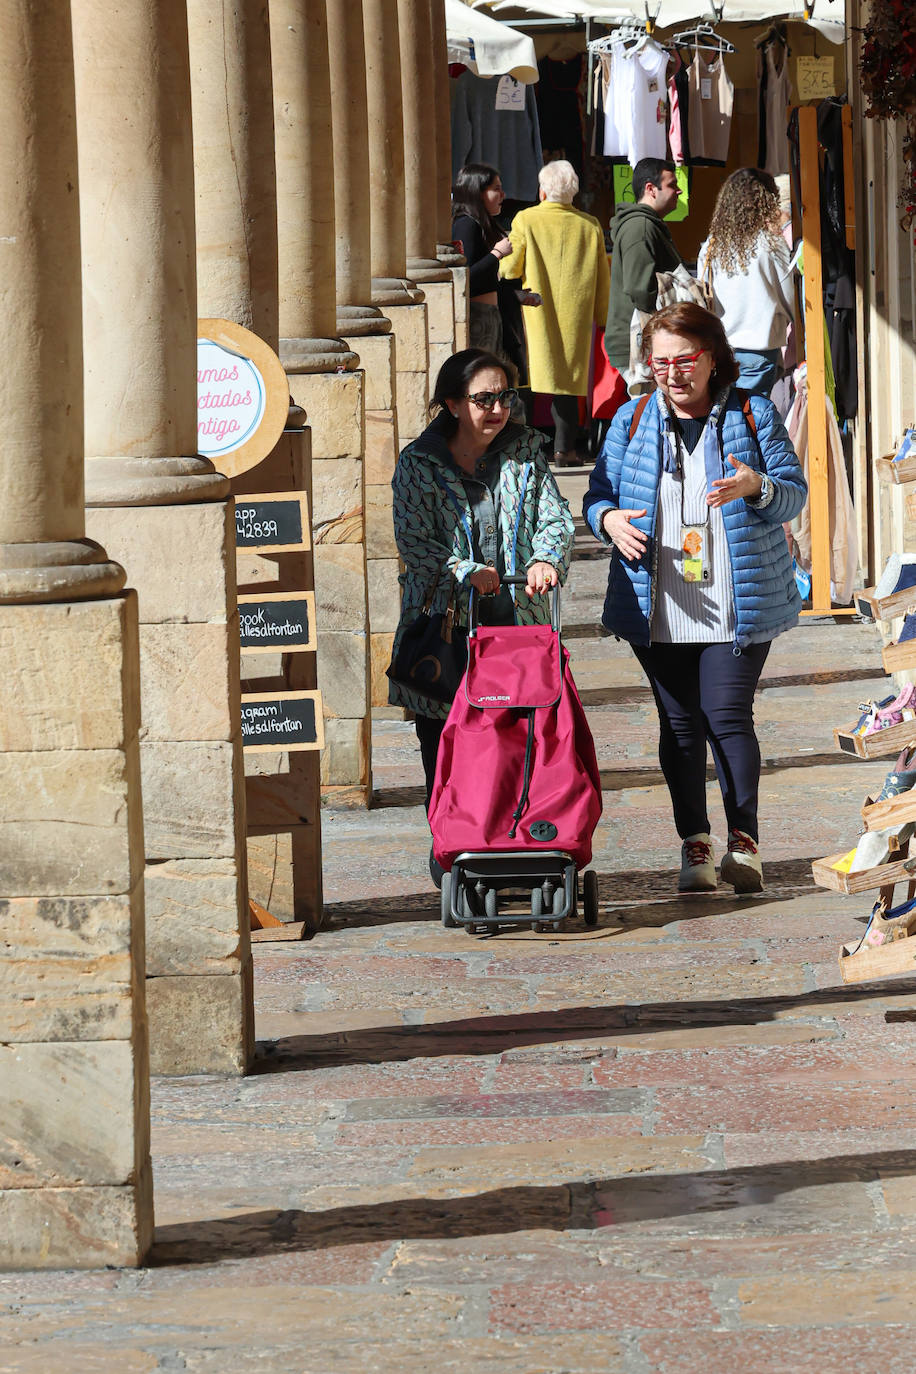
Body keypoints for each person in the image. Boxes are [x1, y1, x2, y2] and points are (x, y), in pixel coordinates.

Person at [583, 303, 807, 894]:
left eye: (685, 360)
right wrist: (607, 521)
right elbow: (597, 494)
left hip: (737, 597)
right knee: (679, 724)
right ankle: (696, 845)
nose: (673, 373)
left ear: (712, 358)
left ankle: (745, 842)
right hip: (656, 598)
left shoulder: (754, 415)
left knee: (728, 715)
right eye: (661, 363)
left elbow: (793, 497)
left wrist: (757, 486)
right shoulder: (629, 422)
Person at [390, 348, 575, 828]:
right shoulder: (418, 463)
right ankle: (449, 832)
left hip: (516, 622)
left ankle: (515, 836)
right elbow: (414, 541)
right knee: (446, 737)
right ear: (453, 404)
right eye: (484, 399)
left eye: (505, 397)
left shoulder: (526, 450)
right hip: (446, 627)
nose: (497, 409)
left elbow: (554, 516)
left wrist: (545, 558)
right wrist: (463, 569)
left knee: (519, 734)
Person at [499, 160, 609, 466]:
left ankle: (527, 447)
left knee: (531, 375)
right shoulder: (590, 225)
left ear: (543, 191)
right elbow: (603, 278)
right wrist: (602, 315)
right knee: (567, 380)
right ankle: (565, 449)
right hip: (576, 312)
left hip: (534, 311)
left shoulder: (526, 219)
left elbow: (510, 267)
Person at [698, 167, 796, 398]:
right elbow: (789, 297)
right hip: (759, 351)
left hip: (719, 349)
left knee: (725, 418)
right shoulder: (770, 244)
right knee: (752, 417)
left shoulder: (712, 246)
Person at [451, 163, 539, 380]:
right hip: (479, 316)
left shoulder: (478, 224)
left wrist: (516, 295)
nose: (503, 194)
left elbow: (487, 282)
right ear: (478, 192)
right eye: (496, 189)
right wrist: (496, 254)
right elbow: (468, 276)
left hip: (489, 316)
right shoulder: (467, 224)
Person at [605, 157, 682, 376]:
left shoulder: (646, 224)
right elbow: (640, 290)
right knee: (649, 408)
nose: (678, 191)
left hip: (646, 340)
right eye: (672, 185)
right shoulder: (640, 226)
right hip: (639, 344)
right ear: (651, 189)